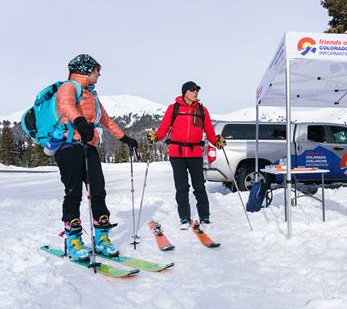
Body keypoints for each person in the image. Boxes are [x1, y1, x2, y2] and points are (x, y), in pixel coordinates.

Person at [55, 54, 138, 260]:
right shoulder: (69, 87)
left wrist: (125, 138)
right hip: (68, 146)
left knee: (98, 191)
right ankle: (73, 240)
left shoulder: (91, 95)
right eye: (96, 70)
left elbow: (107, 121)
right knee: (73, 193)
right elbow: (66, 105)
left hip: (88, 146)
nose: (99, 74)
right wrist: (80, 122)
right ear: (86, 70)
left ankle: (102, 238)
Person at [147, 81, 226, 229]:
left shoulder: (202, 110)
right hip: (177, 154)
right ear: (185, 93)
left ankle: (205, 217)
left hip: (195, 153)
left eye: (197, 90)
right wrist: (155, 137)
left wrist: (217, 141)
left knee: (199, 187)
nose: (196, 92)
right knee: (182, 187)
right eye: (192, 90)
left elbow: (209, 132)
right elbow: (163, 129)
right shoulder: (173, 109)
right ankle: (184, 217)